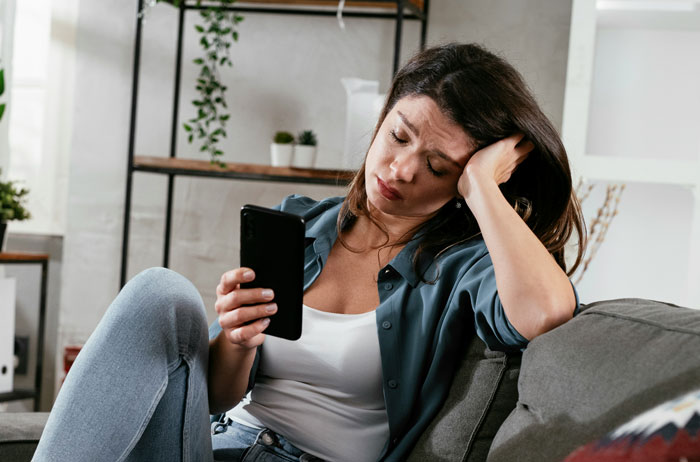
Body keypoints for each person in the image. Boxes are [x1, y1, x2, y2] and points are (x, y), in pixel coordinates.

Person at [34, 42, 585, 462]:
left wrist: (484, 187)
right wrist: (238, 338)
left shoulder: (461, 265)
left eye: (439, 166)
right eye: (398, 136)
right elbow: (221, 398)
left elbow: (547, 313)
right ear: (382, 119)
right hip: (216, 444)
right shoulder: (304, 223)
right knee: (162, 294)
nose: (400, 170)